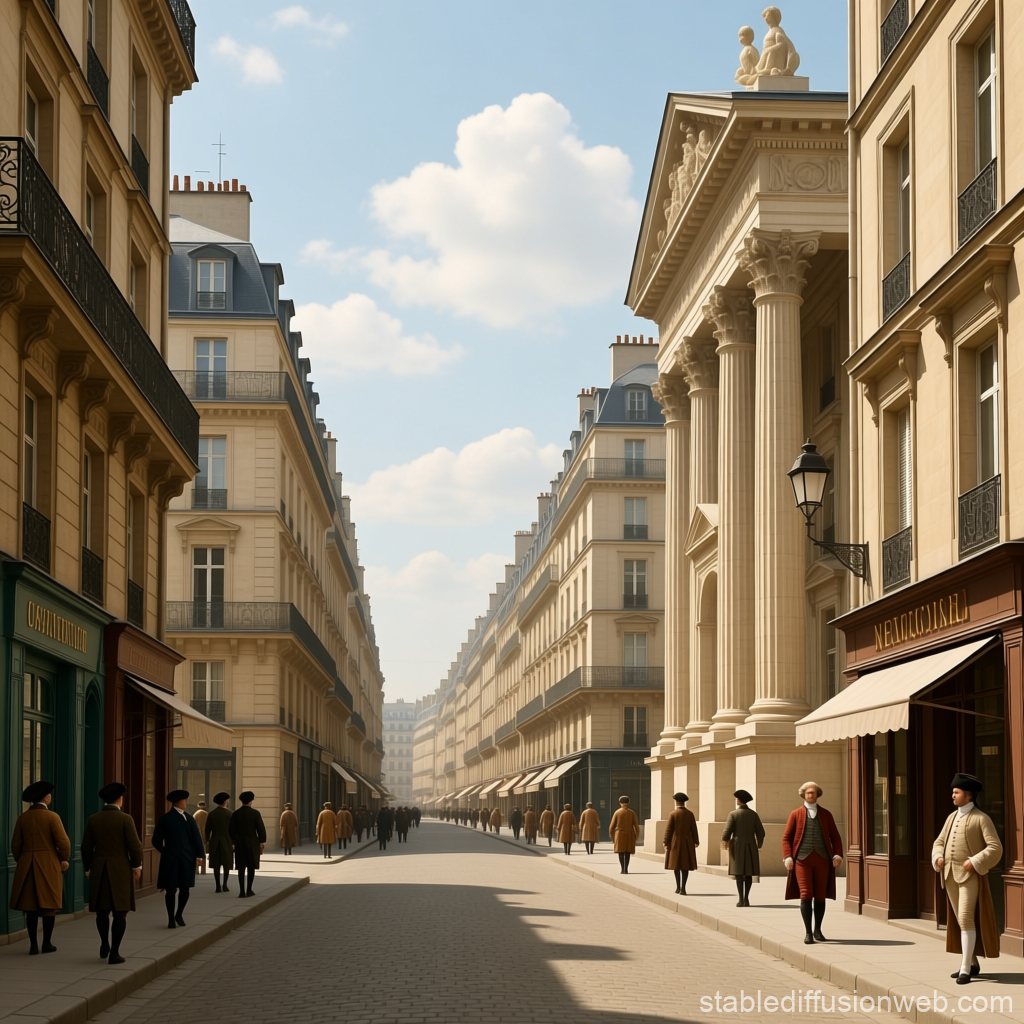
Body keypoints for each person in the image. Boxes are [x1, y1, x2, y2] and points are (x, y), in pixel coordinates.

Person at [932, 772, 1003, 984]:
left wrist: (975, 860)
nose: (952, 796)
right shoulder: (951, 817)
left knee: (965, 918)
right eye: (953, 792)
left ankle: (964, 968)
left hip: (970, 876)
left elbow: (995, 847)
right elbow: (939, 841)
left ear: (968, 796)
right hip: (950, 875)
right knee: (960, 920)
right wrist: (938, 856)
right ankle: (972, 963)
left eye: (956, 792)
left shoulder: (982, 819)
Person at [81, 782, 143, 964]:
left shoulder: (93, 819)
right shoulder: (125, 819)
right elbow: (135, 846)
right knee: (120, 912)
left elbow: (86, 847)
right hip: (121, 869)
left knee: (102, 911)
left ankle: (103, 943)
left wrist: (88, 867)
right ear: (120, 798)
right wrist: (136, 866)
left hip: (100, 868)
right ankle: (115, 952)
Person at [10, 781, 70, 955]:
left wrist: (21, 859)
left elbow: (15, 845)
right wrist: (62, 859)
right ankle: (47, 943)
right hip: (48, 863)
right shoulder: (53, 817)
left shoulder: (23, 818)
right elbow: (63, 843)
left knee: (31, 907)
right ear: (45, 797)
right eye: (49, 794)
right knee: (49, 905)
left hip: (27, 864)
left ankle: (33, 945)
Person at [782, 781, 844, 944]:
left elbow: (835, 837)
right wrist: (788, 857)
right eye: (808, 793)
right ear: (803, 794)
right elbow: (786, 838)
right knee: (806, 894)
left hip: (823, 860)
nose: (811, 795)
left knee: (820, 896)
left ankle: (818, 929)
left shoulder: (826, 814)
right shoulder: (795, 814)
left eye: (813, 793)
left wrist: (837, 855)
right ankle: (808, 932)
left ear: (818, 795)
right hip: (802, 861)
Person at [152, 789, 205, 928]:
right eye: (184, 801)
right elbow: (156, 840)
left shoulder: (189, 818)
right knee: (171, 889)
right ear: (180, 802)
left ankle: (179, 914)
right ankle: (171, 919)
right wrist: (165, 851)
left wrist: (200, 855)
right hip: (172, 860)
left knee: (185, 888)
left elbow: (196, 838)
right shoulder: (166, 818)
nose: (186, 803)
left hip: (187, 858)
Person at [723, 789, 764, 906]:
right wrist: (758, 844)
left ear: (739, 801)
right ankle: (747, 898)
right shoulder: (753, 814)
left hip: (737, 846)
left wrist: (726, 843)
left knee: (739, 873)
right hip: (751, 846)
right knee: (749, 873)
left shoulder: (733, 814)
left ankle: (741, 899)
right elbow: (761, 832)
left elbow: (726, 833)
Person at [229, 791, 267, 898]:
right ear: (251, 801)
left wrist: (233, 841)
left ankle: (241, 891)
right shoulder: (255, 813)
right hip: (252, 841)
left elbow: (231, 829)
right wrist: (262, 841)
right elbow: (260, 828)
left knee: (241, 867)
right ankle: (249, 889)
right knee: (251, 866)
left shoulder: (236, 813)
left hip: (240, 842)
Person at [664, 792, 699, 894]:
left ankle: (678, 887)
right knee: (685, 866)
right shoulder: (690, 814)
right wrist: (696, 841)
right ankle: (683, 888)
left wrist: (665, 842)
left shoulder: (673, 814)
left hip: (675, 841)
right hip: (687, 842)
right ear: (684, 802)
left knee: (676, 865)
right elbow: (694, 829)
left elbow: (669, 830)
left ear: (676, 802)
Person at [206, 793, 233, 892]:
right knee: (227, 864)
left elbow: (207, 829)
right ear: (225, 802)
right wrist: (233, 842)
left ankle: (217, 885)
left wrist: (207, 841)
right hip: (227, 841)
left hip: (215, 841)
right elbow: (233, 830)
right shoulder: (230, 814)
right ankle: (225, 885)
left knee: (216, 865)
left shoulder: (211, 814)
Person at [609, 796, 640, 873]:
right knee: (627, 852)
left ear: (620, 803)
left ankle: (622, 869)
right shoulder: (632, 813)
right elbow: (636, 826)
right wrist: (636, 836)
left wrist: (613, 837)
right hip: (630, 834)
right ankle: (626, 868)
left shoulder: (617, 812)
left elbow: (611, 827)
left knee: (621, 852)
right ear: (628, 802)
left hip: (619, 834)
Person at [192, 801, 208, 874]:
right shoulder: (206, 814)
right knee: (203, 853)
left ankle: (196, 870)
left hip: (196, 835)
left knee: (195, 853)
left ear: (198, 806)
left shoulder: (195, 814)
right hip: (204, 836)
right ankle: (203, 870)